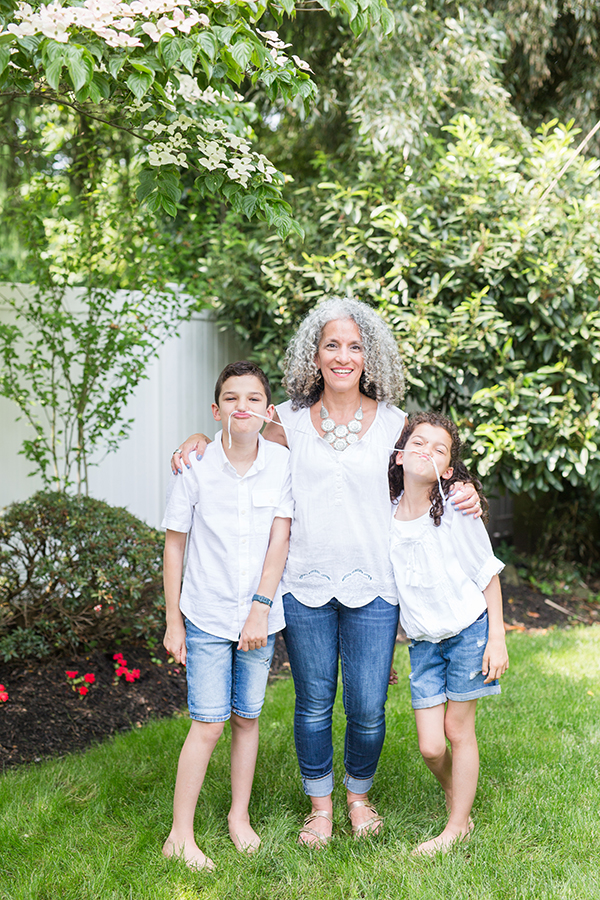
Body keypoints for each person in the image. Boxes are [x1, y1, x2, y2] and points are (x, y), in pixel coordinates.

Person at [172, 297, 481, 845]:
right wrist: (195, 440)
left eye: (355, 346)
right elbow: (236, 443)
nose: (343, 356)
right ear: (314, 354)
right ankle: (320, 806)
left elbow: (433, 463)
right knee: (313, 702)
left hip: (376, 586)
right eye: (332, 345)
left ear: (370, 355)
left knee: (366, 704)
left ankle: (358, 797)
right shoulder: (285, 419)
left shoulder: (393, 423)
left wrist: (465, 487)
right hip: (304, 583)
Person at [162, 360, 292, 871]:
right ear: (216, 411)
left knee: (247, 717)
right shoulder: (195, 467)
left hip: (259, 615)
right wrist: (174, 620)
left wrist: (260, 609)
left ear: (267, 410)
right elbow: (175, 545)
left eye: (253, 399)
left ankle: (239, 816)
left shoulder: (281, 464)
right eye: (232, 399)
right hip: (207, 615)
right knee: (208, 724)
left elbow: (279, 538)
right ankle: (180, 834)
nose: (243, 407)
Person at [388, 411, 509, 855]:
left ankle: (457, 825)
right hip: (423, 644)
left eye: (440, 449)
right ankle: (458, 793)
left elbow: (487, 574)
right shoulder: (386, 518)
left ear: (449, 469)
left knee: (458, 732)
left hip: (468, 633)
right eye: (418, 443)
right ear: (400, 455)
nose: (427, 452)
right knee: (430, 745)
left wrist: (497, 635)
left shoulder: (456, 510)